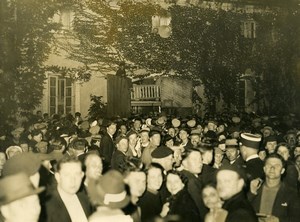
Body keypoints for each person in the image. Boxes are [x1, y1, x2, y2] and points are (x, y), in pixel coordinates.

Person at [249, 153, 300, 222]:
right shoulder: (254, 188)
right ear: (264, 169)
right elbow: (239, 212)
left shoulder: (291, 193)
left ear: (282, 171)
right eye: (269, 165)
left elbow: (297, 218)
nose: (272, 168)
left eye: (277, 165)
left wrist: (278, 220)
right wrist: (251, 193)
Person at [44, 155, 91, 222]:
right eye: (67, 175)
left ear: (82, 175)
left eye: (77, 174)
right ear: (57, 177)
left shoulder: (85, 198)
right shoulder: (46, 207)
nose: (73, 180)